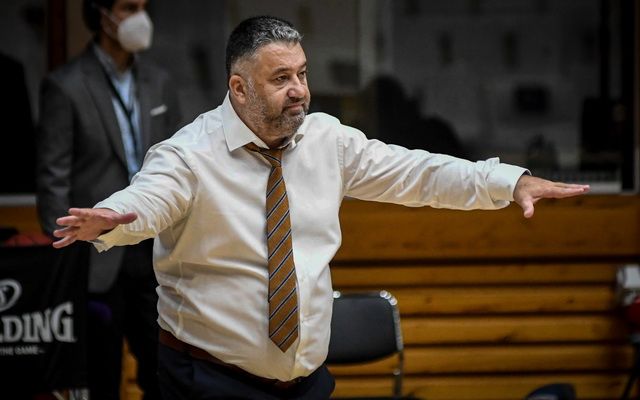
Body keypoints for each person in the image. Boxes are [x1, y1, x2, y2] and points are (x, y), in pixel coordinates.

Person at [50, 16, 589, 400]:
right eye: (280, 79)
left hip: (307, 382)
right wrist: (111, 219)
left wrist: (508, 181)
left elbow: (418, 172)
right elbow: (148, 199)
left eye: (302, 74)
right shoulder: (189, 154)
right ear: (239, 88)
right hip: (209, 380)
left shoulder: (326, 139)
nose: (299, 91)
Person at [36, 0, 182, 399]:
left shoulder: (159, 81)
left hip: (153, 248)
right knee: (101, 375)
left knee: (163, 372)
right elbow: (52, 178)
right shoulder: (65, 85)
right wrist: (67, 258)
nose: (140, 17)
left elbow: (182, 164)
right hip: (95, 255)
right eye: (128, 7)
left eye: (144, 7)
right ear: (102, 15)